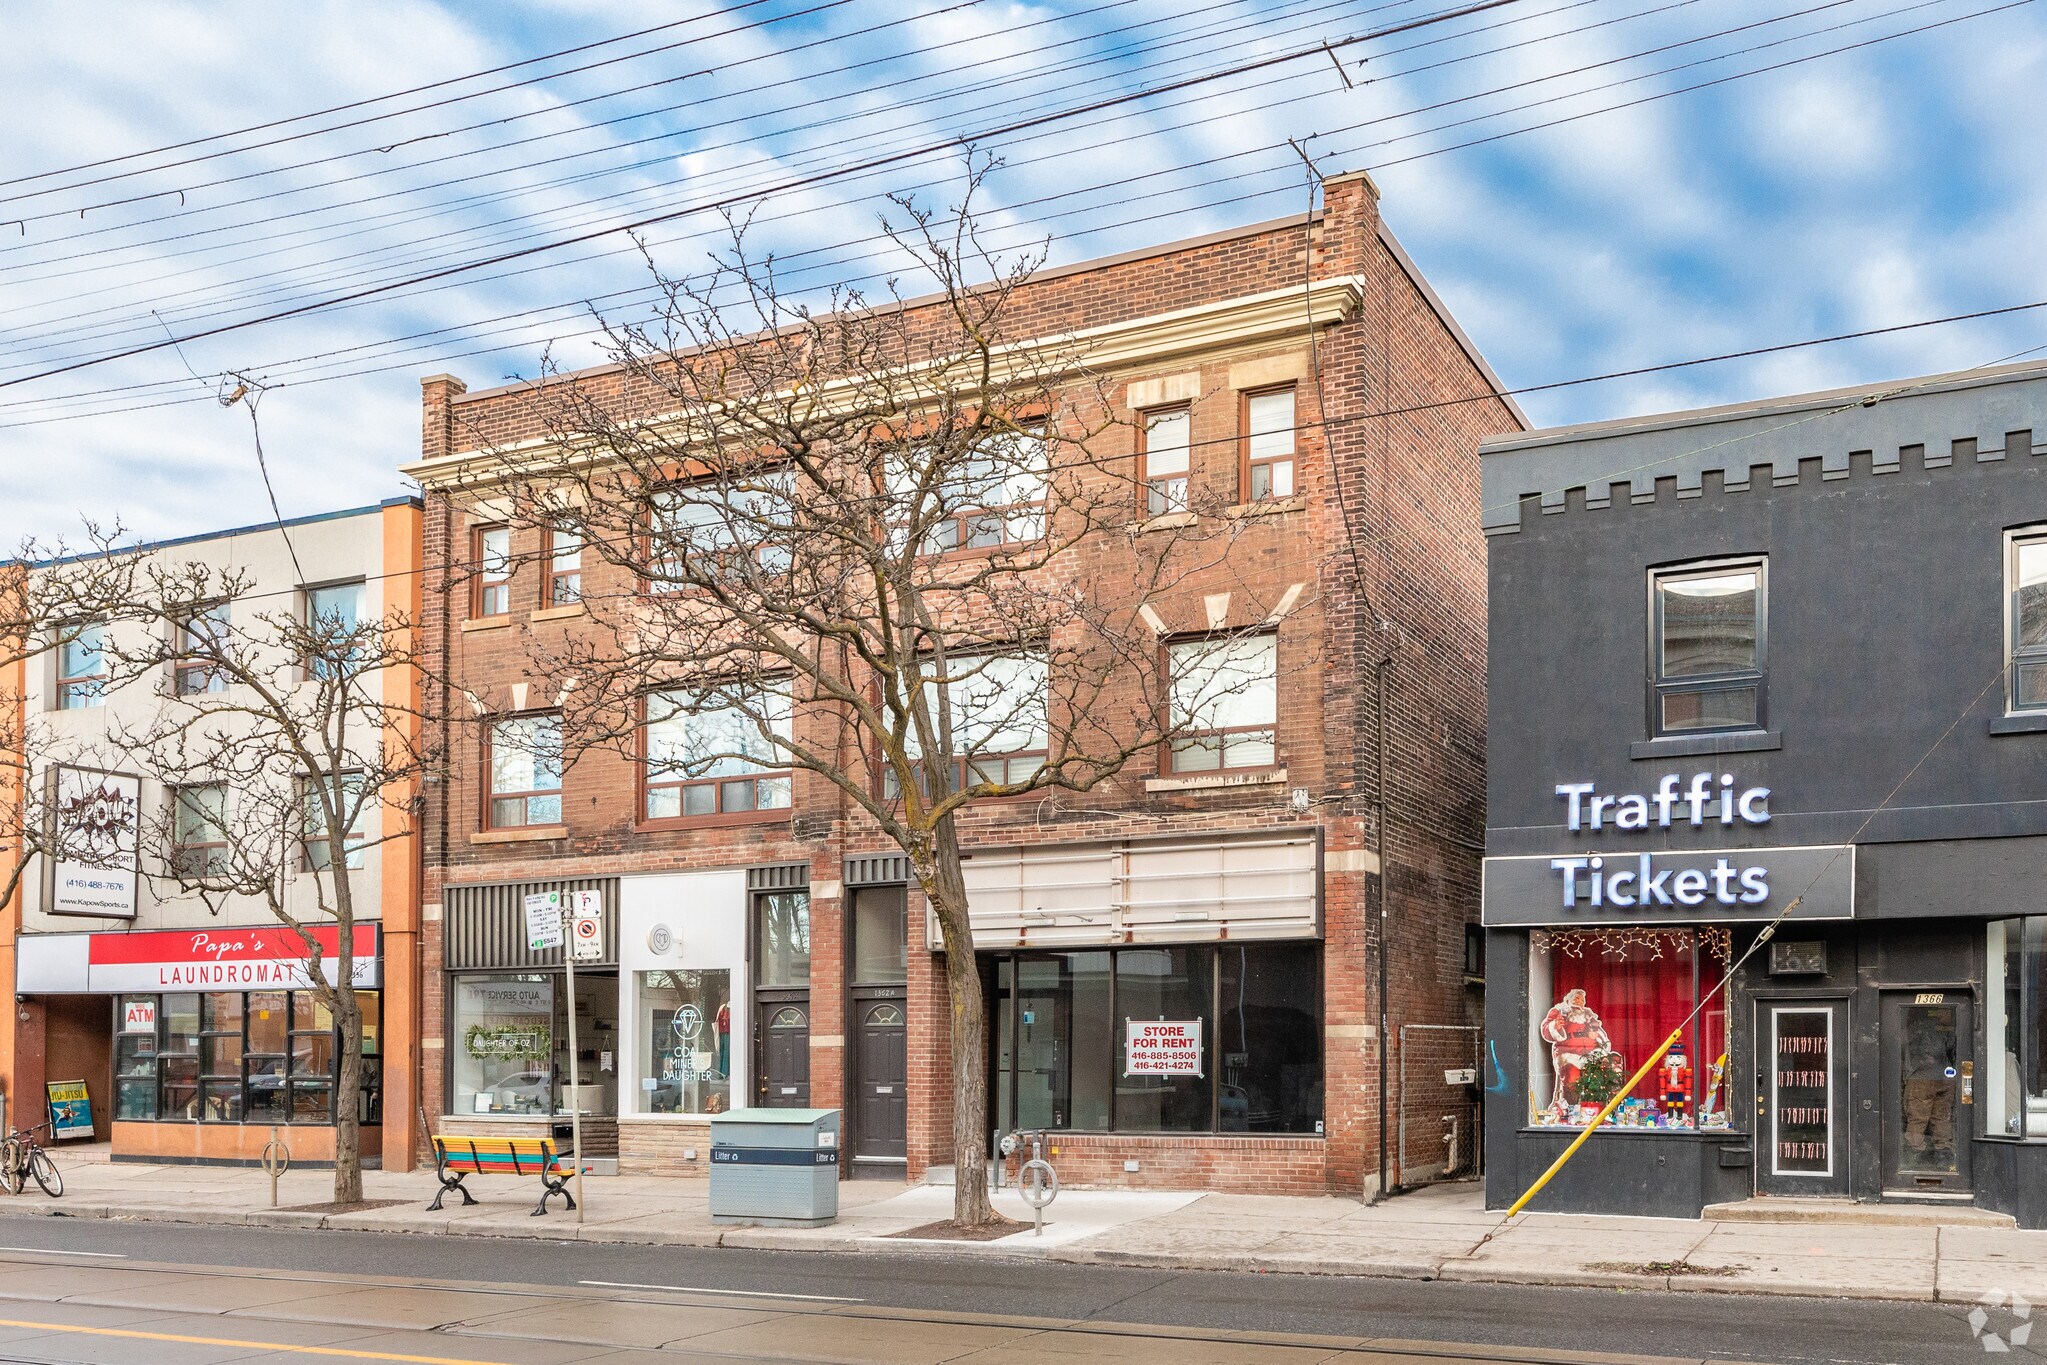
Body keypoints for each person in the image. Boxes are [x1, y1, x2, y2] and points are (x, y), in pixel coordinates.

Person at [1540, 988, 1613, 1119]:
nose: (1579, 1002)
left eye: (1581, 1000)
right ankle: (1570, 1109)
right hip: (1568, 1053)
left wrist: (1597, 1036)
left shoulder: (1588, 1016)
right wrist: (1555, 1026)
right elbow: (1546, 1028)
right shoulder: (1559, 1011)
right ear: (1568, 1000)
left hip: (1590, 1052)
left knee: (1601, 1072)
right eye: (1576, 998)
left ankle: (1596, 1107)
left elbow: (1600, 1033)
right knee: (1572, 1076)